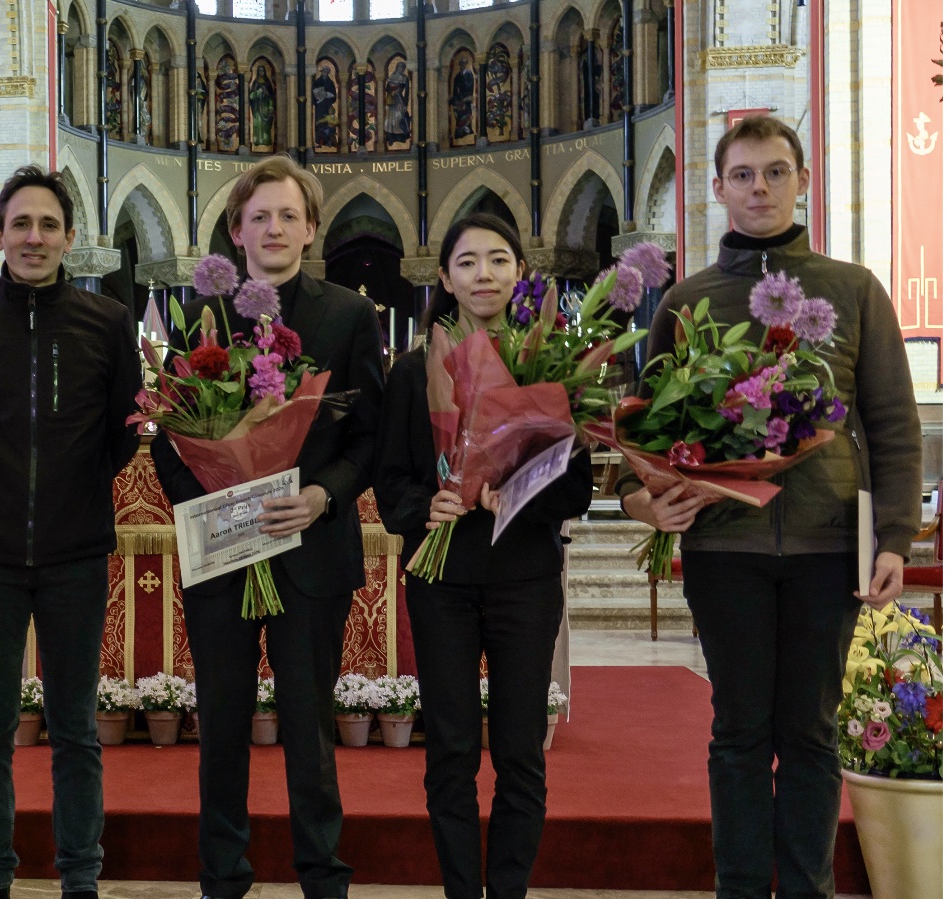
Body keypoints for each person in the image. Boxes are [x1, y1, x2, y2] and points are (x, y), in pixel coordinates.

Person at [618, 115, 922, 899]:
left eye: (776, 172)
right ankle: (743, 888)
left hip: (828, 544)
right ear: (718, 188)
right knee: (739, 731)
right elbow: (646, 429)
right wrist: (646, 498)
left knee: (812, 733)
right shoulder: (687, 299)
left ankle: (808, 889)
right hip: (726, 546)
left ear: (803, 181)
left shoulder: (854, 290)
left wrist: (893, 536)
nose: (761, 188)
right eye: (745, 175)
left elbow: (893, 421)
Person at [149, 155, 383, 899]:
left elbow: (369, 439)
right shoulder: (197, 317)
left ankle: (323, 879)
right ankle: (222, 878)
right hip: (222, 551)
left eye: (288, 215)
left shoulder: (349, 316)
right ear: (236, 230)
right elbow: (167, 435)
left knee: (310, 731)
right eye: (260, 217)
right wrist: (208, 500)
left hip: (310, 549)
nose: (274, 228)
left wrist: (322, 495)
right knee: (221, 728)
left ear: (311, 228)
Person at [0, 165, 140, 899]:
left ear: (70, 237)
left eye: (48, 225)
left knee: (75, 727)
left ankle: (80, 877)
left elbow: (122, 435)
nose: (34, 237)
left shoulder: (107, 322)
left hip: (76, 553)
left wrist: (74, 495)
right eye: (21, 224)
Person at [373, 213, 592, 899]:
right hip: (442, 581)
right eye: (467, 262)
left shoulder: (548, 368)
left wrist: (522, 492)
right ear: (444, 277)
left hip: (524, 578)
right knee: (451, 750)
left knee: (521, 751)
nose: (484, 274)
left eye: (499, 260)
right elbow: (390, 480)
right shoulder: (414, 373)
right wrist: (426, 507)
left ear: (520, 272)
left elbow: (578, 489)